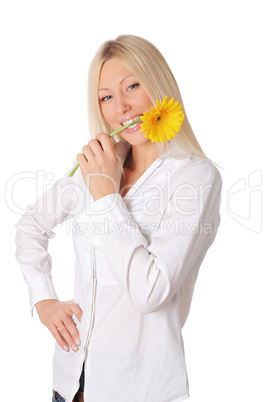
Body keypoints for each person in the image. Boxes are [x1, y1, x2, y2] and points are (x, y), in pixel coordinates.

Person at [15, 34, 222, 402]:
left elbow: (151, 291)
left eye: (132, 86)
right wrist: (44, 301)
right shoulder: (97, 165)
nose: (121, 107)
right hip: (69, 383)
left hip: (135, 390)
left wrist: (106, 195)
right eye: (106, 96)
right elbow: (30, 226)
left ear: (158, 84)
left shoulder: (195, 178)